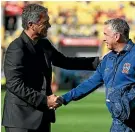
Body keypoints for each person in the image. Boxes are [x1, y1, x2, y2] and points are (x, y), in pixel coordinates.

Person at [2, 4, 100, 132]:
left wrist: (99, 62)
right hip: (20, 120)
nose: (49, 25)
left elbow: (65, 62)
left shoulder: (44, 44)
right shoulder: (16, 48)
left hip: (42, 117)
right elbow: (15, 85)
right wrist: (45, 100)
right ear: (31, 25)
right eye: (45, 22)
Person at [55, 18, 135, 131]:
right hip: (119, 123)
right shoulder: (108, 59)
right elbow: (91, 83)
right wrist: (64, 98)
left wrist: (131, 99)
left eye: (106, 34)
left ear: (116, 36)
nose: (103, 39)